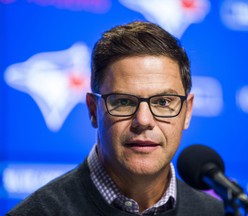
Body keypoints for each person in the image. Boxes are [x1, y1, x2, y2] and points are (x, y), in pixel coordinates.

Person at [7, 21, 224, 215]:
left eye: (163, 102)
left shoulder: (214, 212)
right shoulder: (39, 212)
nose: (144, 120)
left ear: (187, 111)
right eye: (123, 102)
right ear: (93, 110)